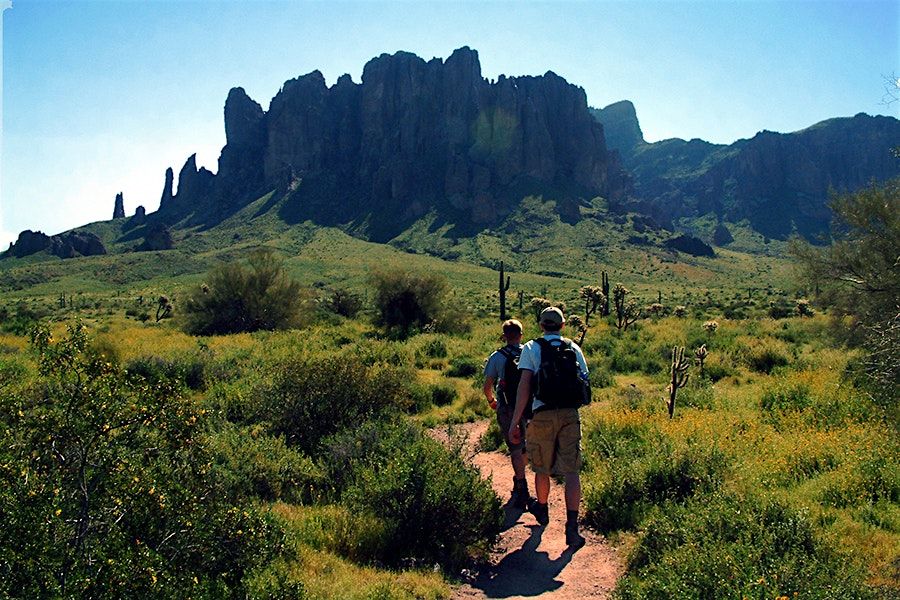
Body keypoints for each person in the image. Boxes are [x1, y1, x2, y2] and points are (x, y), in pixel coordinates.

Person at [509, 306, 588, 548]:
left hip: (542, 413)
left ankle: (542, 510)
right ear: (563, 325)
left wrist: (515, 421)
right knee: (572, 469)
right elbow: (584, 379)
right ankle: (572, 528)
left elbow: (524, 386)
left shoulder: (532, 349)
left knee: (541, 467)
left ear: (541, 325)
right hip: (569, 413)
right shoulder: (573, 347)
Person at [483, 318, 533, 510]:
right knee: (526, 446)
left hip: (507, 406)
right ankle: (520, 477)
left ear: (504, 336)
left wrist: (491, 401)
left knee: (514, 446)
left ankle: (521, 485)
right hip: (529, 407)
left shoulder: (497, 356)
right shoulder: (530, 353)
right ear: (521, 335)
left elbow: (488, 386)